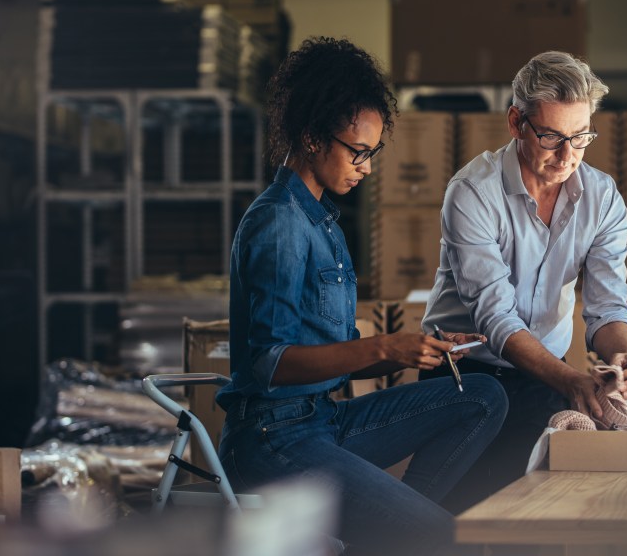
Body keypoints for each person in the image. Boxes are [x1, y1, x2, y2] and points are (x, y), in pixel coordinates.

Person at [215, 37, 508, 556]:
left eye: (372, 153)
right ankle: (407, 534)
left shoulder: (323, 222)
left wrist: (419, 349)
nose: (366, 167)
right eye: (358, 152)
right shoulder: (280, 223)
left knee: (483, 396)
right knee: (444, 537)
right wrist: (385, 346)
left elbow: (340, 357)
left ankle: (395, 534)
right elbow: (269, 363)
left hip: (323, 420)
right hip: (271, 439)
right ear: (312, 138)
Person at [420, 50, 627, 514]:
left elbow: (607, 306)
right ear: (516, 123)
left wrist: (623, 355)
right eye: (551, 137)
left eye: (580, 137)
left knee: (533, 513)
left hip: (546, 373)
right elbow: (496, 317)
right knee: (451, 518)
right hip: (462, 374)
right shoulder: (472, 192)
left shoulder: (602, 198)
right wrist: (569, 380)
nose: (567, 156)